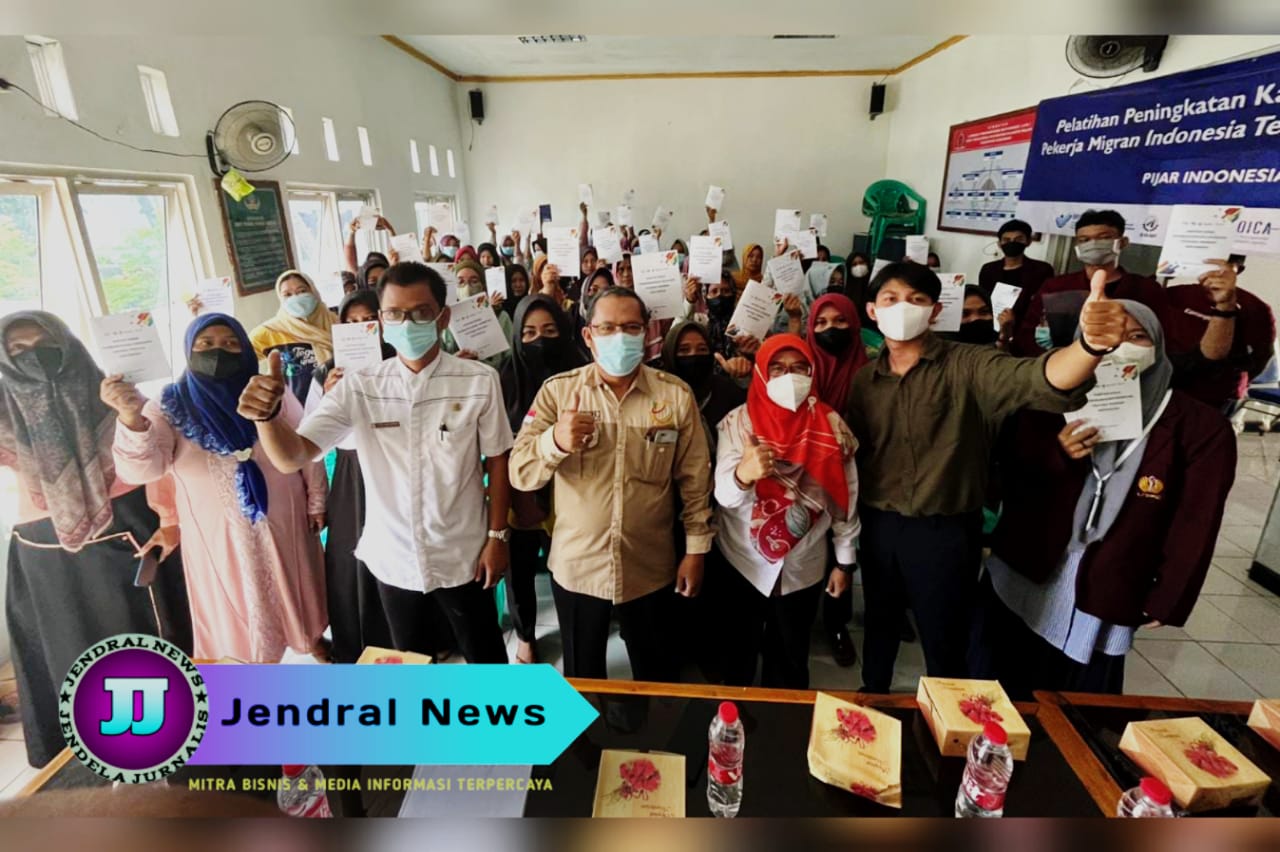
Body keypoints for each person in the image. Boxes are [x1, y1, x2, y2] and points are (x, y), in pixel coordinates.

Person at [847, 261, 1125, 693]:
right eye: (891, 299)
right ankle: (874, 696)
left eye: (916, 299)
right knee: (880, 622)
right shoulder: (866, 380)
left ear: (935, 311)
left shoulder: (968, 365)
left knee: (944, 636)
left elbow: (1037, 379)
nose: (903, 308)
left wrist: (1088, 347)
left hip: (944, 530)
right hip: (879, 524)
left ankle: (947, 713)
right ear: (872, 311)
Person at [237, 263, 510, 663]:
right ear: (382, 322)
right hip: (393, 558)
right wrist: (267, 417)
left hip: (463, 553)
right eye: (395, 314)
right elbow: (292, 455)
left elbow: (499, 458)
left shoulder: (478, 380)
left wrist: (498, 537)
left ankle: (497, 706)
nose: (408, 324)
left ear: (442, 317)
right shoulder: (361, 386)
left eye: (420, 312)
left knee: (488, 662)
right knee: (408, 665)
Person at [971, 302, 1237, 698]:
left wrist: (1170, 595)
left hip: (1113, 571)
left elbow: (1196, 520)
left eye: (1137, 337)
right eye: (1106, 337)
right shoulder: (1050, 399)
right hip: (1030, 561)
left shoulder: (1198, 426)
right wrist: (1059, 453)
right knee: (998, 682)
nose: (1120, 348)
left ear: (1158, 345)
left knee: (1078, 697)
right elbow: (1008, 476)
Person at [1, 312, 192, 767]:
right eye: (18, 351)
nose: (34, 357)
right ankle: (94, 754)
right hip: (46, 555)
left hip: (130, 534)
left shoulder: (111, 393)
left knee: (151, 647)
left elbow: (158, 465)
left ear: (68, 346)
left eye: (44, 344)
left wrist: (129, 416)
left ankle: (171, 740)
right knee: (71, 653)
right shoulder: (3, 414)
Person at [509, 287, 714, 681]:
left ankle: (644, 719)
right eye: (607, 328)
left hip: (649, 565)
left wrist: (696, 550)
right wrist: (556, 441)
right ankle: (590, 720)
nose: (620, 336)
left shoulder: (674, 396)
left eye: (631, 327)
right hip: (577, 566)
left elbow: (695, 481)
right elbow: (521, 471)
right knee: (582, 674)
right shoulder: (559, 392)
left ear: (646, 333)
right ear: (589, 336)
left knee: (654, 672)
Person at [106, 313, 329, 664]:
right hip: (215, 530)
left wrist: (316, 500)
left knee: (294, 580)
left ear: (245, 350)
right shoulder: (169, 404)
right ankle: (247, 663)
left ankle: (309, 638)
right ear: (188, 350)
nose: (218, 352)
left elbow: (306, 448)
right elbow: (143, 469)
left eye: (230, 343)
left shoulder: (270, 390)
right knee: (233, 595)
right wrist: (131, 418)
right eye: (206, 344)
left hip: (282, 515)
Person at [712, 334, 860, 689]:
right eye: (777, 369)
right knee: (738, 650)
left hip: (803, 562)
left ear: (812, 373)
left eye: (798, 368)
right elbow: (724, 497)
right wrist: (743, 474)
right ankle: (734, 709)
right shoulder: (738, 423)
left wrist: (844, 563)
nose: (788, 378)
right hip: (743, 560)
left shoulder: (831, 426)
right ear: (762, 373)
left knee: (791, 653)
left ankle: (785, 713)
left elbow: (846, 496)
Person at [308, 291, 398, 663]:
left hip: (395, 467)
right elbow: (311, 441)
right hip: (351, 475)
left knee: (397, 555)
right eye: (352, 321)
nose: (362, 327)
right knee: (350, 561)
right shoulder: (327, 372)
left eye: (369, 319)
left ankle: (406, 642)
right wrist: (331, 397)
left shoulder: (401, 360)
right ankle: (355, 645)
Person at [499, 294, 587, 664]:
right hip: (519, 494)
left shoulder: (582, 373)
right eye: (530, 333)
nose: (540, 341)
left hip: (571, 495)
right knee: (518, 570)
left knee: (568, 569)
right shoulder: (504, 378)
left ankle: (575, 630)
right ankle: (525, 636)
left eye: (550, 331)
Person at [803, 293, 869, 666]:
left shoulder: (869, 372)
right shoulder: (801, 369)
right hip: (806, 475)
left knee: (845, 550)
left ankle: (837, 623)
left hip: (858, 473)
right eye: (822, 323)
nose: (831, 329)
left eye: (840, 321)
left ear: (855, 324)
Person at [1013, 209, 1169, 356]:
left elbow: (1162, 339)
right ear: (1078, 246)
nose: (1093, 244)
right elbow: (1026, 334)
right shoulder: (1055, 286)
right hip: (1060, 367)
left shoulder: (1147, 289)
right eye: (1084, 240)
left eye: (1104, 238)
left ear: (1122, 242)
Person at [1164, 259, 1276, 412]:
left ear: (1237, 269)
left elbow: (1260, 356)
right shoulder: (1174, 294)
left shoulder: (1254, 307)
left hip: (1217, 397)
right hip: (1169, 389)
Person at [248, 270, 335, 405]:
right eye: (287, 295)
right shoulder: (270, 331)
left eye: (302, 291)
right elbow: (241, 361)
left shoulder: (336, 322)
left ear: (313, 291)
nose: (296, 298)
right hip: (295, 409)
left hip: (338, 403)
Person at [441, 258, 513, 371]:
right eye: (461, 282)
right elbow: (439, 359)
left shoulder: (501, 317)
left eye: (474, 281)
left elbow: (510, 359)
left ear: (483, 285)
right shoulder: (445, 319)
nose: (467, 287)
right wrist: (455, 361)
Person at [977, 220, 1055, 313]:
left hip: (1027, 320)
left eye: (1018, 239)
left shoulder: (1042, 270)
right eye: (1006, 240)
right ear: (999, 243)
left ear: (1028, 241)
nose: (1012, 243)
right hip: (995, 318)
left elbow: (1046, 303)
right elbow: (983, 300)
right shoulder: (988, 269)